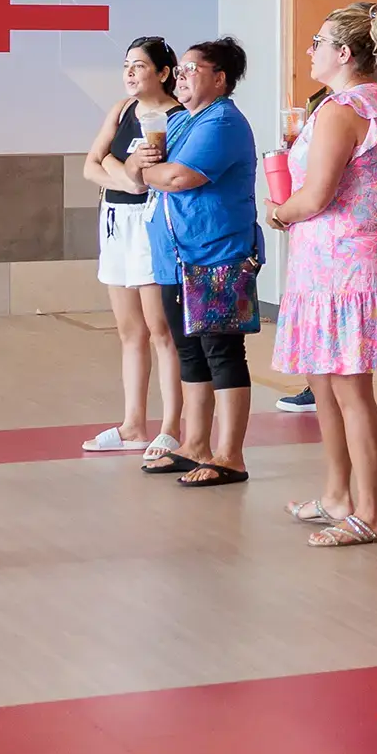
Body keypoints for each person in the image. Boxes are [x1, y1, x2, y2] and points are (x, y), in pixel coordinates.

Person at [262, 4, 377, 547]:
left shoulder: (343, 109)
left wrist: (279, 211)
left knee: (350, 390)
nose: (311, 50)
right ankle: (336, 494)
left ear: (344, 53)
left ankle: (371, 512)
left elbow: (317, 194)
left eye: (318, 41)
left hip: (344, 267)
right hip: (340, 263)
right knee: (325, 383)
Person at [131, 37, 259, 489]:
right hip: (175, 258)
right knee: (190, 351)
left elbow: (181, 177)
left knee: (222, 352)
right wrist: (147, 172)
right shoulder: (184, 121)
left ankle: (231, 455)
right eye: (179, 71)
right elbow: (141, 169)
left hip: (216, 254)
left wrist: (147, 174)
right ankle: (195, 444)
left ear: (219, 78)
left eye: (190, 70)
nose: (180, 77)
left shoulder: (222, 121)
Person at [79, 38, 184, 457]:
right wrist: (125, 176)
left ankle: (172, 427)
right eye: (126, 65)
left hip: (152, 223)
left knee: (162, 330)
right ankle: (133, 425)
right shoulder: (120, 111)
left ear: (163, 72)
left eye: (139, 66)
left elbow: (155, 174)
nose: (130, 73)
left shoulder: (177, 117)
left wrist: (113, 167)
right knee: (129, 331)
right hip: (115, 222)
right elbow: (91, 164)